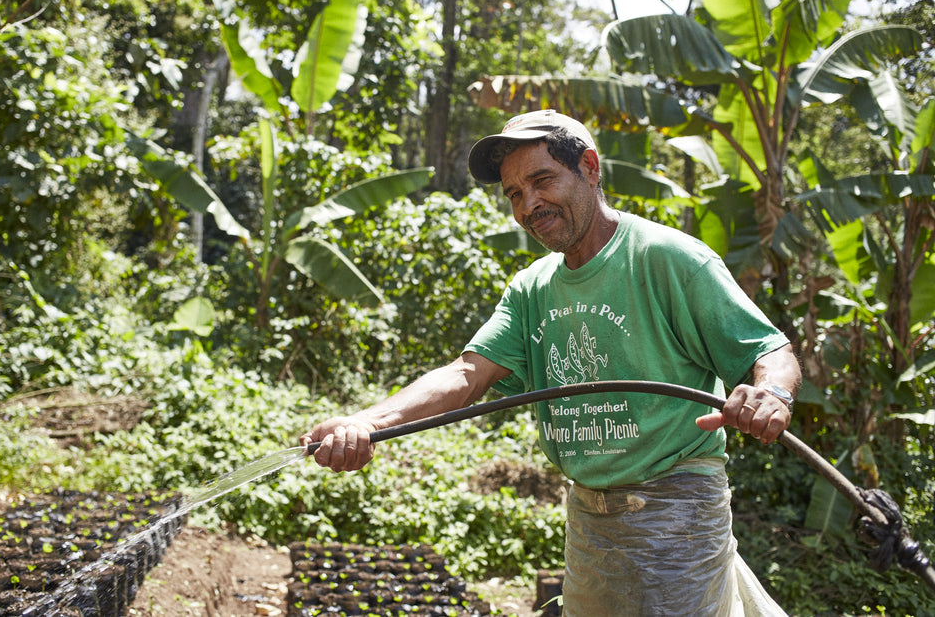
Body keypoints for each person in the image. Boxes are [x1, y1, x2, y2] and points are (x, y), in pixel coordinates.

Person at [301, 109, 801, 616]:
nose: (529, 205)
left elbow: (768, 349)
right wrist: (365, 422)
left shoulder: (668, 258)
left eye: (542, 181)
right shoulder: (532, 288)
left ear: (589, 167)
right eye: (515, 194)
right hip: (590, 519)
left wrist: (771, 393)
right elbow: (466, 373)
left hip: (676, 511)